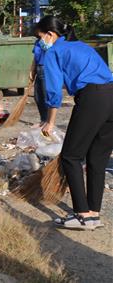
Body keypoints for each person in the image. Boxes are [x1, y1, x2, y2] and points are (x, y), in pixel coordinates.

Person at [35, 16, 113, 230]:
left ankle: (81, 214)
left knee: (71, 155)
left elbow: (52, 91)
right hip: (111, 95)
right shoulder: (81, 46)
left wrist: (49, 122)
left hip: (92, 97)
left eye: (39, 37)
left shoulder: (54, 52)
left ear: (50, 35)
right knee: (97, 158)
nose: (40, 42)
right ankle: (93, 215)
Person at [30, 35, 49, 127]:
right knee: (38, 96)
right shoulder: (37, 41)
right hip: (38, 69)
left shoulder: (50, 40)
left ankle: (48, 122)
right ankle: (43, 119)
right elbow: (35, 57)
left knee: (46, 96)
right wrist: (32, 70)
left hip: (46, 69)